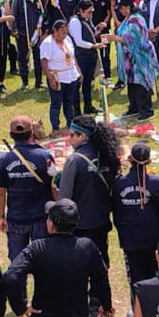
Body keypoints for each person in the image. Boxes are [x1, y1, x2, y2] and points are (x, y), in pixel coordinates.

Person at [112, 143, 159, 317]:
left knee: (136, 277)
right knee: (155, 273)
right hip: (153, 237)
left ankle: (137, 310)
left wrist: (123, 232)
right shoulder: (156, 182)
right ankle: (156, 308)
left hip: (131, 239)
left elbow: (116, 213)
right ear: (148, 161)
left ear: (130, 159)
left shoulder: (119, 183)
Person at [56, 115, 118, 268]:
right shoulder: (107, 154)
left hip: (80, 225)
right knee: (101, 265)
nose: (69, 139)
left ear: (82, 136)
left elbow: (64, 199)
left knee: (80, 268)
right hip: (101, 220)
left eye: (72, 135)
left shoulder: (74, 160)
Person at [0, 116, 55, 260]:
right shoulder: (45, 156)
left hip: (16, 219)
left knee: (17, 265)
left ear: (11, 136)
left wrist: (2, 216)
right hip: (41, 218)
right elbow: (53, 185)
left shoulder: (4, 159)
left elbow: (1, 192)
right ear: (31, 134)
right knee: (43, 264)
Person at [109, 0, 158, 119]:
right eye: (120, 8)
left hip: (140, 57)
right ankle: (134, 108)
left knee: (140, 83)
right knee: (132, 84)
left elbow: (132, 38)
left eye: (124, 7)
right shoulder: (128, 18)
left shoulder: (136, 19)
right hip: (130, 58)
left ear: (130, 7)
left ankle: (147, 111)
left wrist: (114, 38)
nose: (122, 11)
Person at [38, 19, 81, 132]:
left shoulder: (67, 39)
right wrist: (50, 78)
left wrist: (78, 71)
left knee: (69, 101)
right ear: (55, 31)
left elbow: (72, 56)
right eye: (62, 32)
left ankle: (70, 124)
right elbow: (43, 62)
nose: (64, 35)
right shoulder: (48, 43)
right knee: (56, 103)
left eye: (66, 32)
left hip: (71, 75)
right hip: (57, 76)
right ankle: (55, 128)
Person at [69, 0, 105, 116]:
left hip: (90, 56)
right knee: (78, 83)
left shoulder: (86, 19)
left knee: (88, 82)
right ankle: (76, 111)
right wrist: (94, 46)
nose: (90, 14)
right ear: (81, 10)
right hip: (81, 57)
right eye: (88, 12)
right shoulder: (75, 21)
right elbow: (79, 41)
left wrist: (98, 29)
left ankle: (88, 106)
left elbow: (89, 34)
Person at [12, 0, 46, 90]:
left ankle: (38, 82)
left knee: (39, 58)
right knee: (23, 58)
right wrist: (15, 31)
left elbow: (44, 16)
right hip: (23, 35)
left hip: (38, 35)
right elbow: (13, 16)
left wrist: (44, 32)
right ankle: (25, 82)